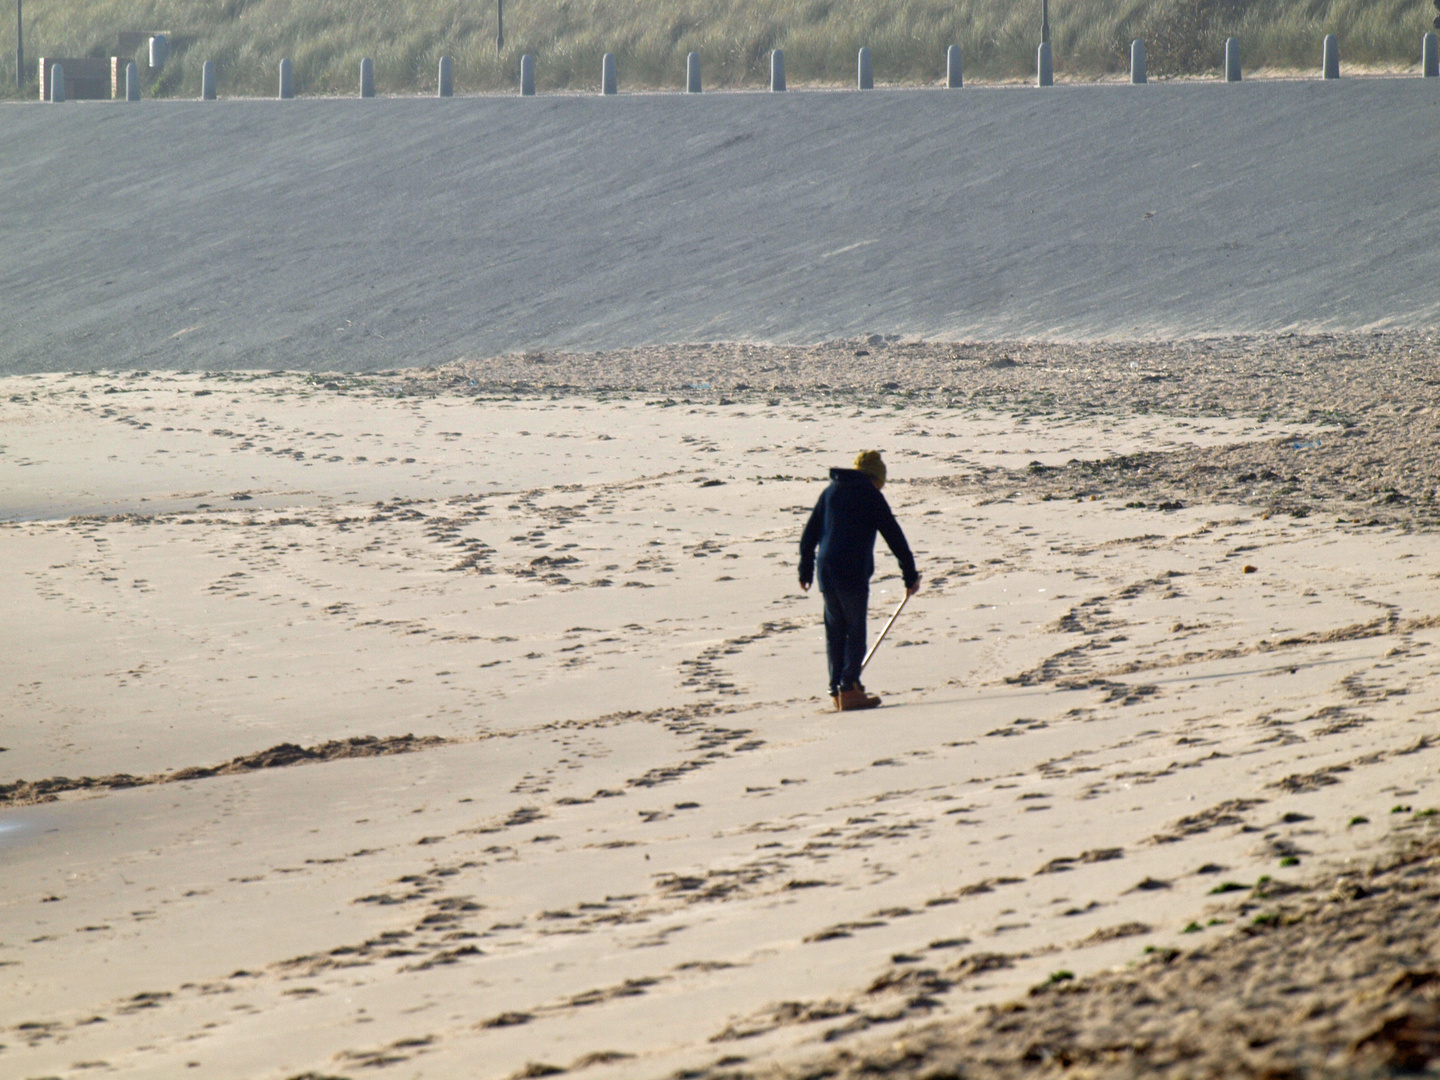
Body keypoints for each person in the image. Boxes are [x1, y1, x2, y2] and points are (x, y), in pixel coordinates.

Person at [798, 450, 920, 711]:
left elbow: (809, 534)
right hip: (851, 570)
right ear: (875, 478)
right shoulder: (869, 494)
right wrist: (909, 573)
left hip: (826, 570)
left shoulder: (831, 491)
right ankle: (849, 688)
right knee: (854, 630)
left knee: (835, 632)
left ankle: (837, 689)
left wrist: (805, 570)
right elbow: (893, 534)